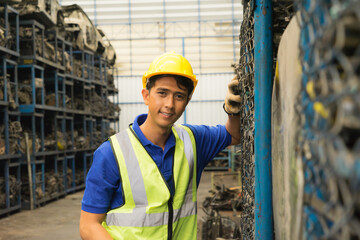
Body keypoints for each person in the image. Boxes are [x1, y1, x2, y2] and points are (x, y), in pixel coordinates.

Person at [79, 52, 241, 240]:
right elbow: (89, 225)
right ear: (146, 95)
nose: (169, 104)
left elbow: (233, 134)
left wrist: (232, 110)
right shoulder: (112, 153)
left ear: (187, 102)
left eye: (179, 96)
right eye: (162, 93)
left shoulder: (193, 140)